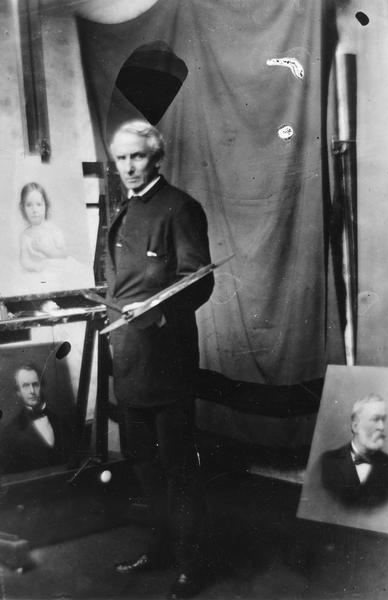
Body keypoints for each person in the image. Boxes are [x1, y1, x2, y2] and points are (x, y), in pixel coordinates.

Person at [105, 120, 214, 599]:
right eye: (121, 159)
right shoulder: (120, 211)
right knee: (143, 465)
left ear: (156, 157)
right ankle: (160, 547)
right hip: (128, 362)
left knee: (178, 468)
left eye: (137, 157)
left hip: (167, 364)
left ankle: (191, 565)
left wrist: (156, 313)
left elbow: (200, 280)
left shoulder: (180, 208)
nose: (128, 167)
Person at [320, 393, 388, 508]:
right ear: (355, 426)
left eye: (383, 420)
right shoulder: (327, 461)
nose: (381, 427)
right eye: (375, 419)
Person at [0, 363, 73, 474]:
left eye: (35, 384)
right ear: (18, 392)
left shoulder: (61, 422)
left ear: (42, 386)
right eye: (25, 386)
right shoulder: (10, 432)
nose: (32, 391)